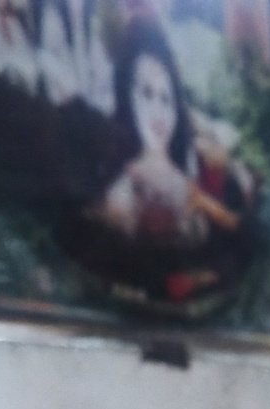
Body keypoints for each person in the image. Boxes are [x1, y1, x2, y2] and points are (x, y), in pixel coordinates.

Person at [95, 18, 245, 246]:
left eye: (166, 99)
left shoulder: (190, 178)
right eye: (146, 94)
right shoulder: (124, 191)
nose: (159, 111)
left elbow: (235, 227)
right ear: (127, 99)